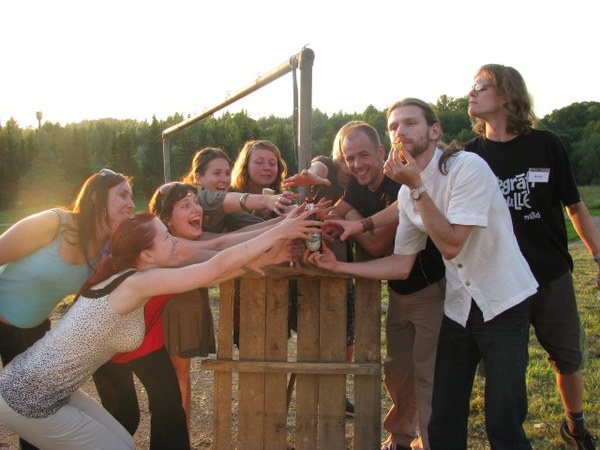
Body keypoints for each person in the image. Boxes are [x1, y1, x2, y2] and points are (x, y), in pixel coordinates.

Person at [307, 98, 538, 450]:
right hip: (459, 307)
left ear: (434, 130)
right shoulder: (408, 191)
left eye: (410, 123)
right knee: (444, 419)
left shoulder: (467, 167)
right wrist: (339, 266)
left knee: (502, 419)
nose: (400, 131)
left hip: (502, 301)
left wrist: (414, 187)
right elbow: (400, 265)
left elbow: (451, 244)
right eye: (393, 126)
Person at [0, 208, 319, 450]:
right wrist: (280, 230)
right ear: (147, 254)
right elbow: (214, 266)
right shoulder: (135, 283)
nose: (174, 240)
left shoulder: (132, 276)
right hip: (26, 396)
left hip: (44, 387)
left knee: (123, 442)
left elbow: (210, 273)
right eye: (166, 236)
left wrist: (266, 258)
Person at [464, 64, 600, 449]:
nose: (471, 92)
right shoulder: (470, 156)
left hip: (549, 271)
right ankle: (510, 434)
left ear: (507, 94)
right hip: (500, 280)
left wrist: (598, 255)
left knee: (566, 355)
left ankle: (575, 425)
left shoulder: (546, 145)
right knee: (506, 366)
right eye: (472, 86)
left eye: (481, 86)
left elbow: (574, 205)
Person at [318, 120, 445, 449]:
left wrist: (352, 220)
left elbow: (376, 245)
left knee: (427, 372)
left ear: (380, 151)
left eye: (363, 155)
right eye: (349, 158)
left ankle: (430, 440)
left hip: (430, 287)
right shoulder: (357, 185)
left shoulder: (399, 183)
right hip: (400, 290)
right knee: (397, 370)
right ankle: (401, 437)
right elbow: (332, 216)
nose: (357, 164)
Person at [0, 168, 134, 450]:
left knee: (33, 411)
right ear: (96, 198)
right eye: (123, 195)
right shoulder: (54, 223)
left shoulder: (104, 251)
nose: (131, 204)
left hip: (30, 331)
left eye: (131, 197)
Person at [230, 139, 288, 220]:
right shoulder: (231, 195)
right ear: (245, 166)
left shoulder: (283, 199)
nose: (267, 168)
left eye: (272, 163)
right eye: (259, 162)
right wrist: (257, 216)